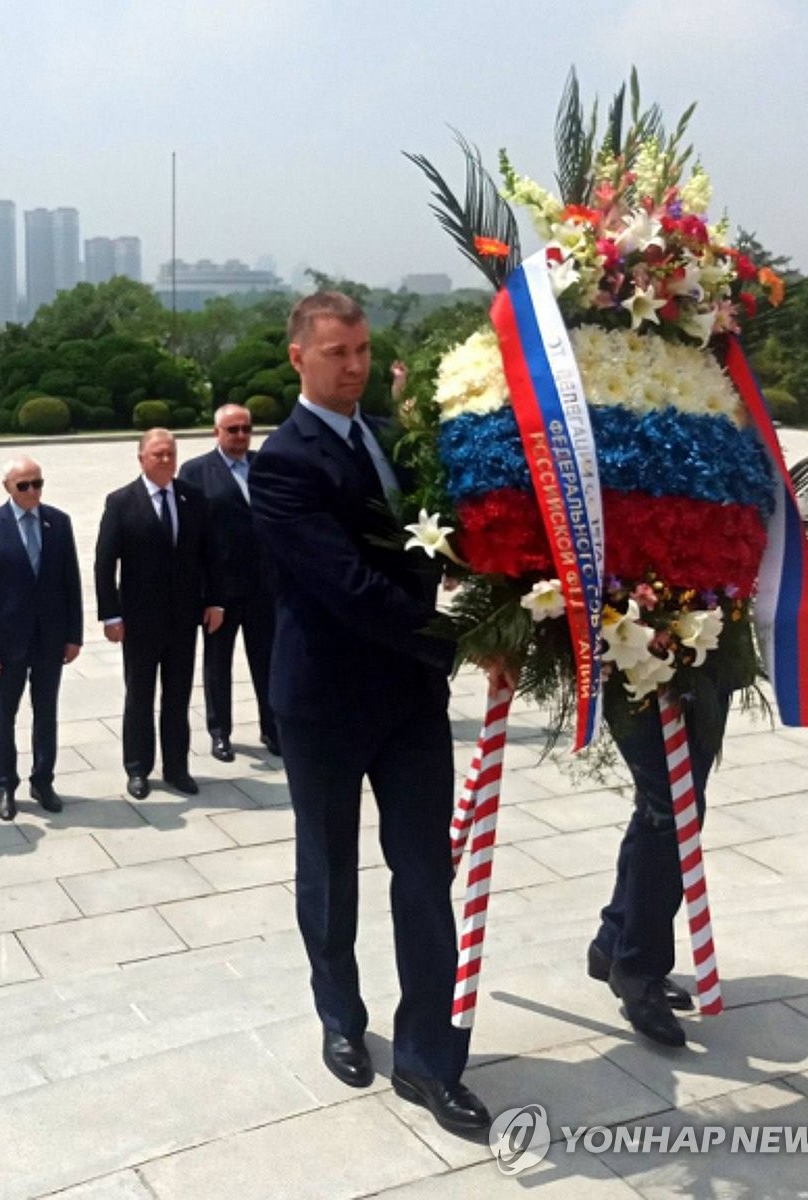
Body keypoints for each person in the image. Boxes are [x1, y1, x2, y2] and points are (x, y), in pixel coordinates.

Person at [249, 293, 491, 1139]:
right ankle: (340, 1015)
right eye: (335, 353)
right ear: (299, 360)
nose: (352, 365)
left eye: (361, 349)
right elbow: (345, 588)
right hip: (325, 702)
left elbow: (445, 540)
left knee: (425, 871)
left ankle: (429, 1057)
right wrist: (456, 640)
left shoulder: (394, 440)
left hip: (413, 705)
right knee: (329, 867)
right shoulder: (283, 463)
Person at [588, 692, 731, 1047]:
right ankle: (638, 965)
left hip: (711, 656)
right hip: (627, 657)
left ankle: (615, 939)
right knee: (673, 807)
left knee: (669, 801)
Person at [94, 429, 223, 800]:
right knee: (140, 694)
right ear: (141, 459)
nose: (165, 460)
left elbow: (209, 555)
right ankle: (138, 768)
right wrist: (110, 616)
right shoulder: (121, 502)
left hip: (185, 618)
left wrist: (215, 601)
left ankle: (177, 767)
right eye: (157, 454)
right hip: (139, 620)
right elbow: (105, 563)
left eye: (170, 453)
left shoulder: (193, 498)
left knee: (178, 695)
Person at [0, 456, 83, 821]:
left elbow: (71, 583)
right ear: (7, 488)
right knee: (4, 716)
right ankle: (5, 785)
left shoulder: (58, 523)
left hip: (49, 638)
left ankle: (43, 780)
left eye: (37, 483)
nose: (32, 491)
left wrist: (73, 635)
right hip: (6, 642)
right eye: (23, 485)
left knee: (46, 713)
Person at [178, 404, 279, 763]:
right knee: (218, 663)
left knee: (267, 658)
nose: (239, 436)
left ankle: (272, 726)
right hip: (221, 590)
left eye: (245, 429)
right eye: (232, 429)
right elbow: (191, 539)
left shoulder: (263, 465)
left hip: (265, 585)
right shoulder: (194, 472)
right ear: (216, 432)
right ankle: (220, 732)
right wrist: (205, 594)